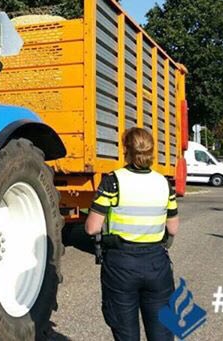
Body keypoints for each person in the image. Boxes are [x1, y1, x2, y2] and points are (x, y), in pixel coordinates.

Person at [85, 127, 179, 341]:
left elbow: (92, 227)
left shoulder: (113, 182)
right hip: (157, 263)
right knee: (162, 332)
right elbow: (172, 228)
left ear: (125, 149)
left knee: (125, 333)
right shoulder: (164, 183)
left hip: (121, 265)